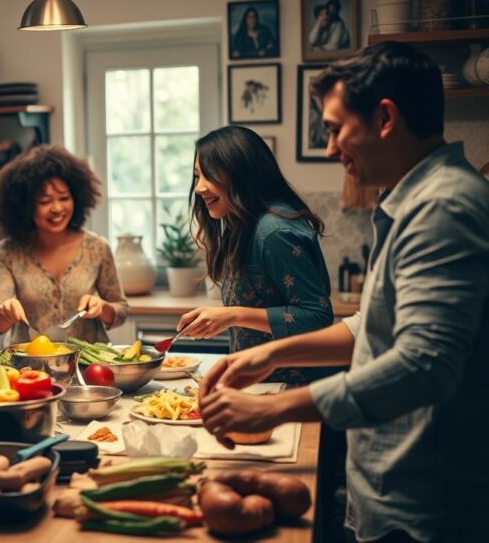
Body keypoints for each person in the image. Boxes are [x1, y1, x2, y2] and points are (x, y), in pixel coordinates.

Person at [199, 42, 489, 543]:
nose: (330, 148)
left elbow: (424, 365)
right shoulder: (413, 203)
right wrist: (269, 357)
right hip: (393, 489)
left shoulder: (444, 209)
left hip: (424, 504)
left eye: (334, 129)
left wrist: (272, 407)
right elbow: (373, 328)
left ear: (384, 118)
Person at [178, 126, 334, 386]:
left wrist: (232, 315)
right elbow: (263, 302)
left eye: (210, 175)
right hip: (262, 386)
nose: (199, 187)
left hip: (292, 389)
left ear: (242, 174)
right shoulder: (242, 224)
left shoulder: (274, 230)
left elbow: (317, 316)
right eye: (197, 176)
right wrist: (220, 316)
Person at [0, 145, 128, 346]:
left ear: (77, 198)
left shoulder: (97, 248)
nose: (57, 208)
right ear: (25, 205)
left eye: (64, 198)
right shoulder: (10, 251)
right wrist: (3, 313)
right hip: (27, 370)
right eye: (45, 201)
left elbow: (121, 310)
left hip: (87, 367)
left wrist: (102, 308)